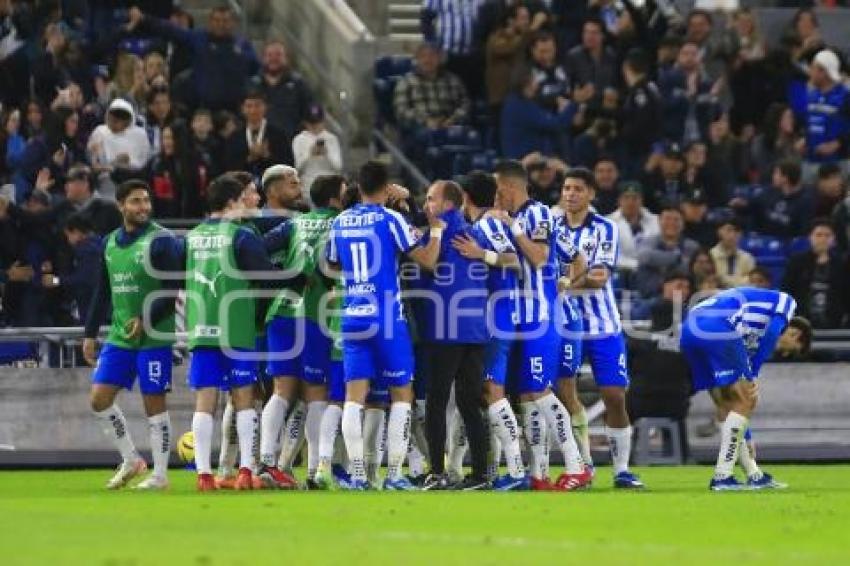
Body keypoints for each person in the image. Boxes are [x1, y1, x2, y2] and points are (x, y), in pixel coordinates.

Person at [325, 160, 443, 490]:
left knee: (354, 398)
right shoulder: (391, 219)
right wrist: (435, 231)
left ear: (358, 186)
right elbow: (428, 260)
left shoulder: (341, 220)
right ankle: (393, 475)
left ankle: (359, 475)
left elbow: (332, 262)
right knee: (401, 394)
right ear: (387, 187)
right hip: (387, 318)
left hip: (352, 317)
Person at [488, 160, 591, 492]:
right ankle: (539, 473)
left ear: (509, 187)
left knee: (540, 391)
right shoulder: (513, 219)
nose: (495, 194)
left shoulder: (539, 215)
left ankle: (577, 466)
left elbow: (541, 258)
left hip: (540, 317)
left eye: (497, 187)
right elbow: (575, 256)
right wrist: (566, 279)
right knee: (529, 396)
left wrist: (564, 285)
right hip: (520, 318)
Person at [184, 174, 282, 491]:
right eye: (241, 199)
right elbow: (266, 275)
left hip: (201, 328)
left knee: (204, 402)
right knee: (243, 398)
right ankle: (244, 472)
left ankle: (204, 475)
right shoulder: (240, 236)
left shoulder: (192, 237)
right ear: (230, 203)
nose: (245, 205)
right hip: (237, 327)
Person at [81, 180, 180, 490]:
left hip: (154, 337)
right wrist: (90, 333)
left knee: (154, 403)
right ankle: (131, 459)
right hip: (120, 337)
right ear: (121, 205)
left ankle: (160, 475)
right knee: (99, 399)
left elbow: (173, 288)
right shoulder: (109, 243)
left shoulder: (162, 240)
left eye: (146, 201)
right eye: (136, 202)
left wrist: (146, 317)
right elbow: (103, 290)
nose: (143, 208)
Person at [554, 167, 644, 489]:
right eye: (566, 188)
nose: (570, 194)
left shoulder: (605, 228)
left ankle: (621, 469)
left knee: (614, 395)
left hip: (603, 324)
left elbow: (599, 278)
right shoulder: (550, 227)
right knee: (566, 396)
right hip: (564, 325)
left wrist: (563, 283)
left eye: (577, 189)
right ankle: (584, 466)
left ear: (591, 194)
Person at [259, 174, 347, 489]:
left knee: (282, 389)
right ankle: (314, 470)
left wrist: (283, 274)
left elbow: (258, 249)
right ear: (337, 199)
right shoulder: (341, 223)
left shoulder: (295, 223)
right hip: (314, 312)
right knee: (315, 391)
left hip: (281, 310)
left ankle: (267, 464)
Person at [680, 287, 804, 490]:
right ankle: (723, 476)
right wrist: (753, 373)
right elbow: (773, 332)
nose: (782, 352)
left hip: (689, 330)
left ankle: (753, 474)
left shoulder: (748, 326)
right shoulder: (787, 301)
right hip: (716, 327)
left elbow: (733, 411)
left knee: (726, 403)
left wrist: (747, 438)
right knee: (747, 397)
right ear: (796, 333)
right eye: (789, 350)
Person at [453, 171, 527, 490]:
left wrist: (482, 254)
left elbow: (515, 261)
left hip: (498, 312)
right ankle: (498, 468)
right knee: (487, 393)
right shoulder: (485, 224)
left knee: (492, 391)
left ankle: (516, 470)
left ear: (466, 198)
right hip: (497, 311)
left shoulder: (487, 225)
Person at [415, 180, 490, 491]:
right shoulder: (476, 234)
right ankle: (482, 475)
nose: (426, 205)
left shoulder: (438, 235)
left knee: (436, 401)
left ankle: (436, 471)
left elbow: (424, 262)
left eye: (431, 199)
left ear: (447, 204)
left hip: (446, 329)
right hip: (476, 329)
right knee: (470, 403)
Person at [781, 220, 849, 329]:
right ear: (810, 237)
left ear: (833, 239)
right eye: (818, 235)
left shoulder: (842, 264)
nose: (823, 239)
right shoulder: (797, 262)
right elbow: (787, 290)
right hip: (802, 320)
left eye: (827, 235)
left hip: (834, 321)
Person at [249, 41, 314, 145]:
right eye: (269, 55)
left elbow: (311, 112)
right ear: (263, 58)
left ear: (286, 58)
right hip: (257, 144)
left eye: (278, 55)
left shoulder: (299, 85)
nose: (274, 59)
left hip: (290, 145)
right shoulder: (252, 84)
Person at [799, 50, 850, 174]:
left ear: (824, 72)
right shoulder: (811, 96)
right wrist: (804, 140)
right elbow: (810, 123)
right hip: (811, 160)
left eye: (813, 68)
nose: (810, 72)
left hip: (837, 162)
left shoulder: (845, 96)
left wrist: (838, 143)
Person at [225, 89, 293, 179]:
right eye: (249, 106)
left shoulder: (278, 135)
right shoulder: (234, 137)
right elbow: (228, 168)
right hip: (243, 188)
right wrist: (249, 158)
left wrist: (267, 156)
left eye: (257, 105)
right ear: (242, 109)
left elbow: (289, 165)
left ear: (265, 107)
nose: (253, 110)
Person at [635, 206, 700, 297]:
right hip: (651, 295)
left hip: (684, 295)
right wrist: (676, 258)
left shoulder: (692, 246)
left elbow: (687, 270)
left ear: (683, 223)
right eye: (667, 219)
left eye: (676, 220)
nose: (671, 223)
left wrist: (658, 260)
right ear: (659, 221)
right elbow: (644, 257)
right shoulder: (648, 241)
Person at [291, 104, 342, 205]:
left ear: (323, 122)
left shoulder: (331, 139)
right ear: (305, 123)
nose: (315, 126)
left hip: (330, 189)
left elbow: (338, 167)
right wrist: (309, 154)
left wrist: (327, 154)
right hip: (308, 189)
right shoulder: (299, 140)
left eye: (317, 122)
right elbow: (297, 169)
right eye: (312, 123)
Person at [607, 181, 659, 276]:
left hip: (653, 272)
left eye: (635, 198)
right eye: (626, 198)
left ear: (641, 200)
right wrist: (637, 265)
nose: (630, 202)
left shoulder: (656, 221)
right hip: (621, 273)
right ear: (619, 200)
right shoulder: (608, 223)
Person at [711, 219, 755, 288]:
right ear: (719, 231)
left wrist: (723, 279)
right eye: (729, 230)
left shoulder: (747, 258)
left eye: (737, 231)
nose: (732, 235)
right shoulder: (710, 255)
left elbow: (751, 282)